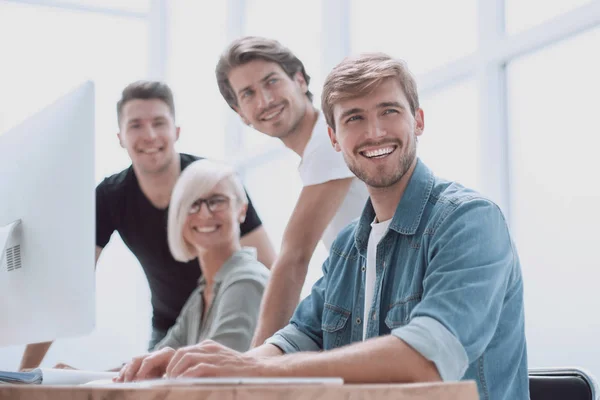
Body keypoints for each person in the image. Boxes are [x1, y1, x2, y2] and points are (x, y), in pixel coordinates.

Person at [115, 53, 529, 400]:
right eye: (353, 119)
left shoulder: (469, 222)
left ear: (418, 121)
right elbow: (296, 337)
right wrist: (211, 364)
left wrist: (251, 371)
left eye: (389, 111)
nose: (374, 131)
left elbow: (427, 358)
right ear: (333, 138)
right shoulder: (350, 244)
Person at [20, 81, 276, 370]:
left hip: (231, 304)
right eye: (136, 125)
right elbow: (69, 287)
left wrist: (277, 349)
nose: (150, 135)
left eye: (159, 122)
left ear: (176, 131)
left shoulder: (213, 181)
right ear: (120, 137)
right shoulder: (111, 197)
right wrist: (27, 374)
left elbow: (270, 271)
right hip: (181, 319)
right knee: (138, 378)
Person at [215, 36, 369, 346]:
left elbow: (295, 256)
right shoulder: (315, 152)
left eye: (271, 82)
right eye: (249, 94)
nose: (265, 101)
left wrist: (255, 363)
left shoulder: (330, 138)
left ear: (299, 79)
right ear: (240, 112)